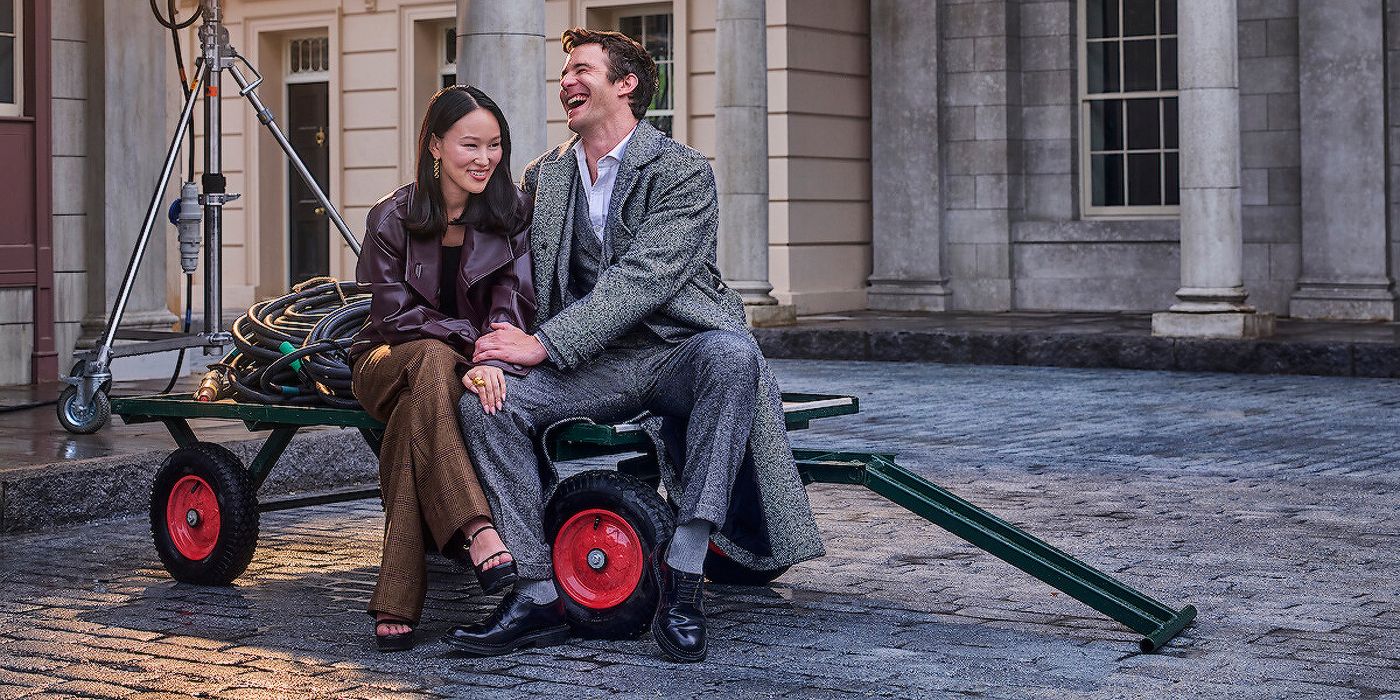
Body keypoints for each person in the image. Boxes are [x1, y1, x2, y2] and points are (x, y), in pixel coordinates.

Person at [444, 28, 824, 662]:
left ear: (625, 85)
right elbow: (508, 260)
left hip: (676, 350)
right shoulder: (548, 174)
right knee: (490, 404)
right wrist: (489, 341)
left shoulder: (683, 170)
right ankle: (536, 590)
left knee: (733, 355)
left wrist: (542, 345)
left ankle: (684, 575)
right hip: (593, 363)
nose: (566, 80)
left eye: (581, 69)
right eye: (564, 71)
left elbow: (644, 279)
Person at [349, 85, 535, 652]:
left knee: (414, 424)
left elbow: (514, 300)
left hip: (460, 363)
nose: (484, 159)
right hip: (385, 359)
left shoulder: (511, 214)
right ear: (435, 145)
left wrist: (487, 352)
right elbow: (394, 316)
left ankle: (397, 597)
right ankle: (478, 529)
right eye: (469, 145)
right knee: (428, 359)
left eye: (495, 146)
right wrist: (471, 348)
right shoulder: (391, 217)